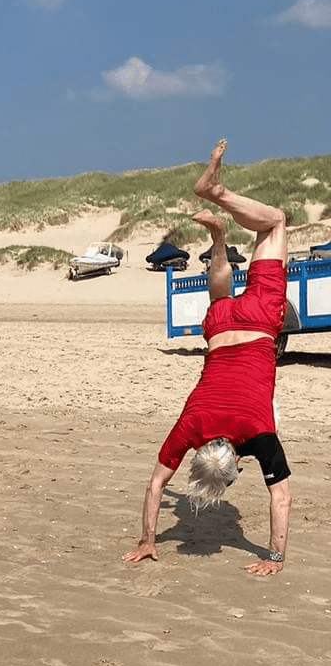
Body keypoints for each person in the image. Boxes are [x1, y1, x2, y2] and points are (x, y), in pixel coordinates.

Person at [123, 140, 291, 578]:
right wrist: (148, 538)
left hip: (256, 324)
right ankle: (217, 235)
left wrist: (275, 556)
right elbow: (156, 485)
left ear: (236, 463)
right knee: (219, 293)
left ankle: (216, 193)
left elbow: (282, 497)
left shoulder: (259, 433)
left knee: (274, 225)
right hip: (220, 327)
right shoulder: (190, 428)